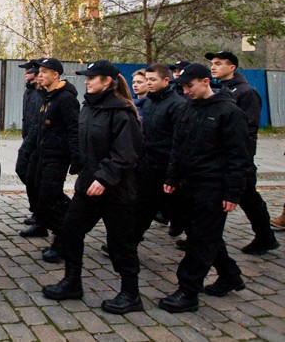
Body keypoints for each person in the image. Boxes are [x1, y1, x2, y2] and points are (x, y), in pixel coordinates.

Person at [43, 60, 143, 315]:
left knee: (120, 244)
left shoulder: (122, 111)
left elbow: (126, 153)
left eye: (92, 77)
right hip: (88, 185)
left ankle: (131, 294)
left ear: (107, 81)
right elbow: (82, 141)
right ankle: (72, 282)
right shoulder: (88, 106)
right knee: (70, 232)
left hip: (115, 190)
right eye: (86, 77)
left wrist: (104, 178)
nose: (87, 81)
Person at [160, 63, 250, 313]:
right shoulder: (187, 109)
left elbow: (239, 157)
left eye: (189, 86)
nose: (186, 91)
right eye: (183, 87)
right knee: (206, 235)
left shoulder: (228, 112)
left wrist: (233, 192)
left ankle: (188, 291)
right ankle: (230, 275)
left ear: (205, 81)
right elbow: (178, 146)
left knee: (200, 241)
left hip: (213, 188)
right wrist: (172, 177)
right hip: (188, 185)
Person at [207, 50, 279, 255]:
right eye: (212, 63)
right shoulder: (221, 90)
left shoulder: (245, 92)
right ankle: (264, 236)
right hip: (223, 156)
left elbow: (248, 129)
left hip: (240, 158)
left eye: (219, 63)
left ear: (232, 67)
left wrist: (241, 159)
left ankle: (265, 236)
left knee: (249, 197)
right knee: (245, 198)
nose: (213, 67)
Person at [16, 58, 79, 263]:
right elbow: (37, 126)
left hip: (57, 157)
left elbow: (73, 129)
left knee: (50, 200)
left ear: (56, 75)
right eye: (39, 71)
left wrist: (76, 159)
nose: (40, 75)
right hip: (42, 155)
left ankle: (63, 242)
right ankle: (58, 223)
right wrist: (27, 150)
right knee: (40, 195)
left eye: (45, 72)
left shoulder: (66, 99)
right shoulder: (46, 96)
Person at [132, 64, 186, 245]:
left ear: (166, 80)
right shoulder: (149, 102)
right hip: (148, 165)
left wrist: (174, 173)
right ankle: (129, 241)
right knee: (142, 206)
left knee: (178, 205)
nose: (149, 83)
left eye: (153, 80)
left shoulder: (177, 104)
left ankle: (189, 232)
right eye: (147, 80)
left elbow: (179, 142)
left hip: (167, 166)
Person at [16, 60, 44, 233]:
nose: (25, 73)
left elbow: (37, 121)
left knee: (34, 179)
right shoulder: (29, 91)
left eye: (28, 71)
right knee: (25, 173)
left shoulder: (40, 93)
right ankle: (37, 211)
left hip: (36, 143)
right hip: (28, 139)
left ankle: (41, 216)